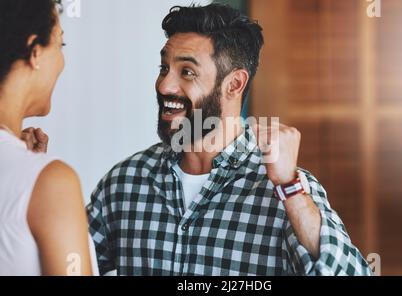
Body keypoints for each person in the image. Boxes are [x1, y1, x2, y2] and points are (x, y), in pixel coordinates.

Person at [87, 4, 372, 275]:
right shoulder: (123, 183)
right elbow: (57, 261)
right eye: (164, 68)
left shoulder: (286, 191)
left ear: (234, 84)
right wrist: (39, 158)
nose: (164, 85)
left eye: (186, 72)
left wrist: (291, 190)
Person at [0, 0, 97, 276]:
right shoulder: (52, 181)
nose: (63, 60)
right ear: (35, 52)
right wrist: (37, 180)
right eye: (60, 45)